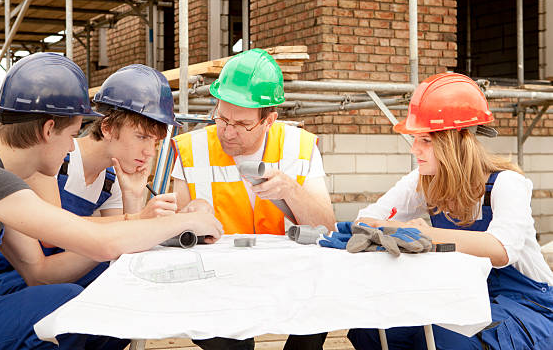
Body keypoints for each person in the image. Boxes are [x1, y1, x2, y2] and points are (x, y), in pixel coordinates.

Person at [0, 53, 223, 350]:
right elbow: (97, 243)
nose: (70, 148)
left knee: (85, 296)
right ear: (48, 130)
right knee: (64, 301)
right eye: (73, 135)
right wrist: (184, 220)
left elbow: (36, 271)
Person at [346, 72, 553, 350]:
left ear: (458, 141)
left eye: (426, 141)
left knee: (442, 341)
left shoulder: (506, 184)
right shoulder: (423, 182)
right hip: (464, 295)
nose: (415, 150)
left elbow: (501, 249)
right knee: (370, 330)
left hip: (527, 303)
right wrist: (401, 232)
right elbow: (365, 220)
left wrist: (427, 234)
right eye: (415, 140)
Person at [171, 48, 336, 350]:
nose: (228, 133)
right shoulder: (191, 149)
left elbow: (327, 227)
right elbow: (173, 233)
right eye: (222, 118)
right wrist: (190, 216)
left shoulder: (299, 147)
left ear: (269, 120)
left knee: (327, 294)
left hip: (285, 276)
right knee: (231, 343)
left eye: (242, 124)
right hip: (217, 282)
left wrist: (291, 191)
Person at [21, 64, 193, 287]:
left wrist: (133, 196)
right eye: (141, 137)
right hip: (20, 285)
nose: (150, 152)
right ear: (108, 128)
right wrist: (139, 219)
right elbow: (52, 232)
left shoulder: (112, 180)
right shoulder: (51, 157)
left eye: (155, 142)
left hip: (68, 281)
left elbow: (128, 244)